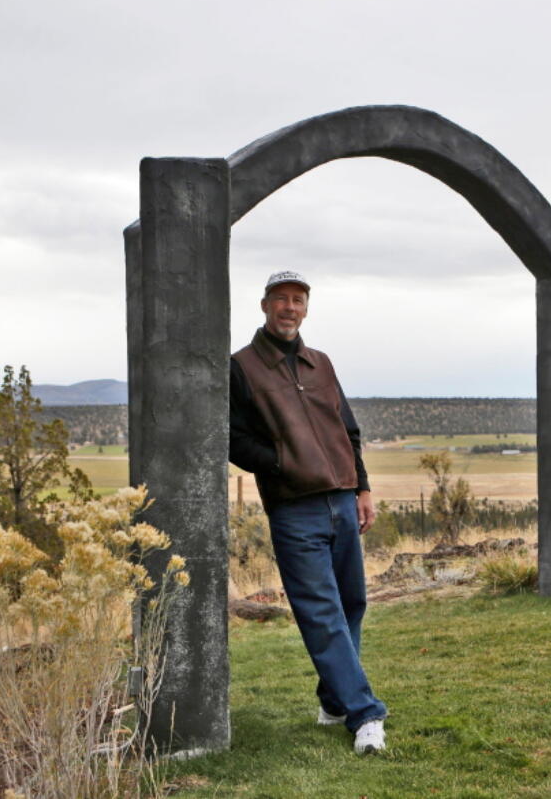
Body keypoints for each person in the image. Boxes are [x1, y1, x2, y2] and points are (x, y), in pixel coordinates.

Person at [228, 270, 388, 754]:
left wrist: (361, 487)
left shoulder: (321, 363)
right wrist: (280, 463)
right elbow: (233, 438)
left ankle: (334, 702)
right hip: (294, 510)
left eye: (298, 300)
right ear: (264, 306)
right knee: (321, 613)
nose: (290, 308)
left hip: (342, 499)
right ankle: (364, 715)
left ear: (306, 308)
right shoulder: (242, 367)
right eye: (281, 299)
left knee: (351, 605)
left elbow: (348, 430)